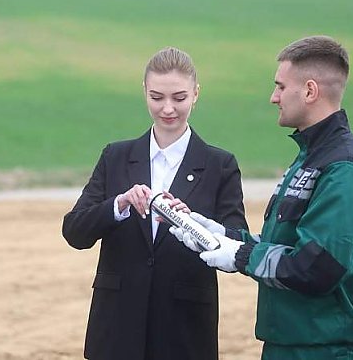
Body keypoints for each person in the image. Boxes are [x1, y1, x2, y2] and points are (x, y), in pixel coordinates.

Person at [169, 35, 353, 359]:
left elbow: (318, 268)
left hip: (327, 350)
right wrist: (224, 237)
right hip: (292, 344)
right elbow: (289, 246)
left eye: (281, 87)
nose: (274, 97)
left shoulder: (343, 169)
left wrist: (241, 255)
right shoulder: (312, 159)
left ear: (310, 91)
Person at [62, 47, 248, 360]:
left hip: (184, 331)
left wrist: (194, 224)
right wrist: (119, 205)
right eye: (157, 97)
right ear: (144, 92)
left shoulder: (220, 165)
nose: (168, 108)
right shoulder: (115, 156)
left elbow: (236, 242)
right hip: (117, 329)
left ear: (196, 93)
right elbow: (74, 231)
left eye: (179, 97)